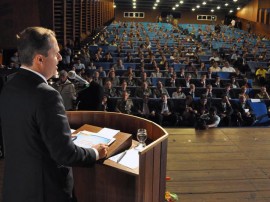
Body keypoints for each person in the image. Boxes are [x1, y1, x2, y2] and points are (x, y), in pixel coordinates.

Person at [0, 27, 108, 202]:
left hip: (17, 189)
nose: (59, 58)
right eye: (56, 53)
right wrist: (95, 153)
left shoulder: (9, 86)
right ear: (40, 59)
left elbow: (28, 136)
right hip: (46, 192)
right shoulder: (46, 95)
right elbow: (65, 154)